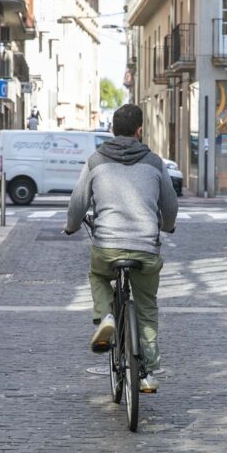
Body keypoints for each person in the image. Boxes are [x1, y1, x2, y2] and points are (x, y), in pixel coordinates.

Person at [63, 104, 178, 393]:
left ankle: (107, 316)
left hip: (107, 247)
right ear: (140, 130)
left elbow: (78, 204)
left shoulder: (95, 160)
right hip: (145, 249)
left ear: (112, 130)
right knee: (147, 306)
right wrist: (166, 226)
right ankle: (148, 372)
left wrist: (72, 226)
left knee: (98, 276)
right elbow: (170, 205)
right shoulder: (154, 162)